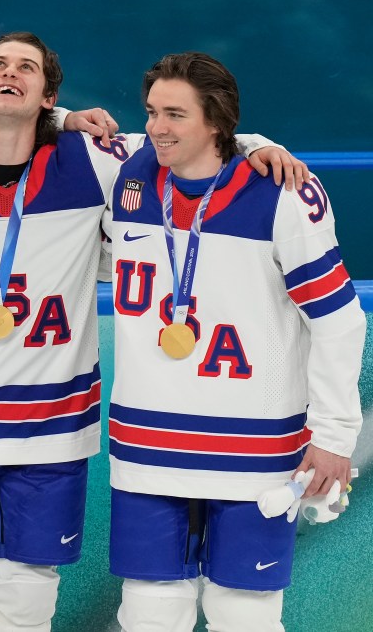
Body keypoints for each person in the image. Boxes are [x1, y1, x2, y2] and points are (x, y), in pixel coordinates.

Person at [0, 34, 307, 632]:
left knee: (27, 599)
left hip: (48, 426)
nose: (9, 74)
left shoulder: (96, 164)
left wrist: (257, 145)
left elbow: (189, 140)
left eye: (27, 68)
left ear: (49, 95)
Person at [103, 52, 365, 631]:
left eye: (175, 114)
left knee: (244, 613)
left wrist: (334, 435)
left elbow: (339, 318)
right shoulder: (128, 171)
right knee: (147, 611)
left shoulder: (283, 192)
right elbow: (26, 125)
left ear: (215, 121)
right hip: (150, 443)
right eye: (150, 112)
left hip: (254, 448)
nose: (156, 128)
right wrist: (253, 139)